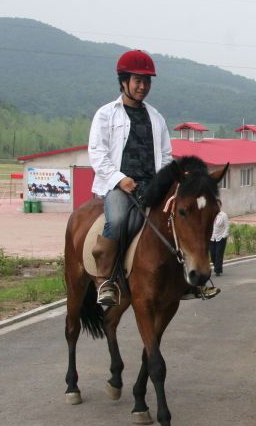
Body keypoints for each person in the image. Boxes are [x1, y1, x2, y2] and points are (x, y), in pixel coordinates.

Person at [88, 50, 222, 306]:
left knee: (178, 221)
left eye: (147, 81)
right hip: (121, 186)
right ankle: (106, 280)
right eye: (138, 80)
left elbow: (164, 155)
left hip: (152, 185)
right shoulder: (106, 114)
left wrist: (165, 183)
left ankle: (184, 280)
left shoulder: (156, 117)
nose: (143, 86)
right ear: (124, 81)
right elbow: (97, 153)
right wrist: (119, 179)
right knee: (116, 221)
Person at [209, 209, 229, 276]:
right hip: (212, 238)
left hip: (220, 238)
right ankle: (217, 266)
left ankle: (218, 270)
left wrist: (224, 236)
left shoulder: (223, 215)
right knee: (212, 255)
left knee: (218, 254)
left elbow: (227, 226)